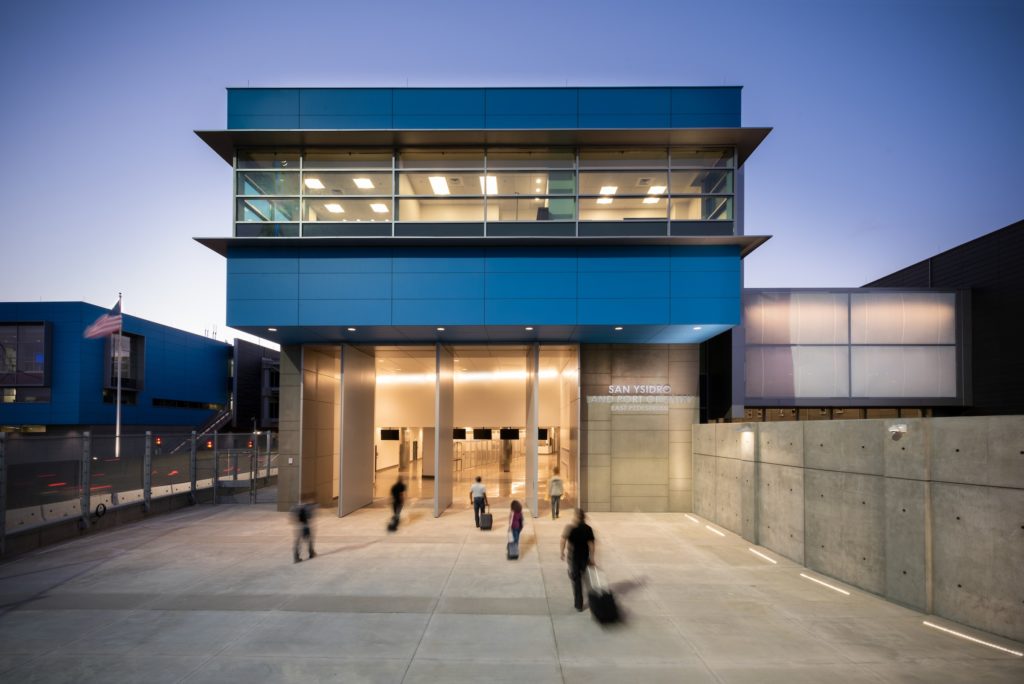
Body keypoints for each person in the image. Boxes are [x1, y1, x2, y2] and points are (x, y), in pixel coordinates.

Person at [560, 509, 596, 611]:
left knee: (576, 581)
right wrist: (592, 558)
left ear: (575, 516)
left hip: (573, 558)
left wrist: (562, 552)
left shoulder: (570, 528)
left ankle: (579, 604)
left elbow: (563, 540)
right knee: (586, 579)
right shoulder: (588, 529)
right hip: (584, 557)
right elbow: (591, 545)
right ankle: (592, 601)